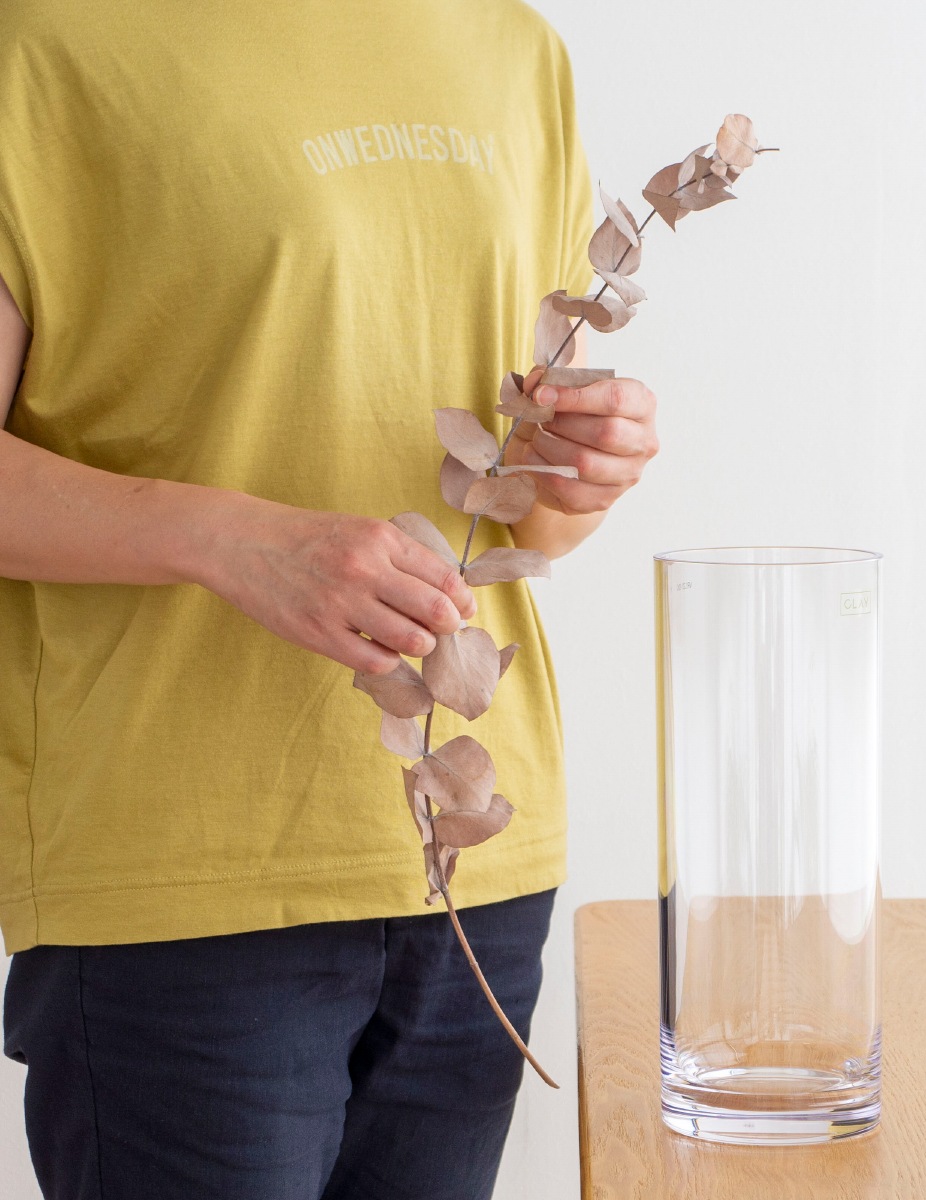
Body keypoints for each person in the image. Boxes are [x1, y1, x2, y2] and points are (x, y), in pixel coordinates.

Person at [0, 3, 658, 1198]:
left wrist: (584, 468)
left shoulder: (513, 47)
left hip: (478, 864)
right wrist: (235, 542)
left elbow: (533, 513)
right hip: (183, 875)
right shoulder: (44, 45)